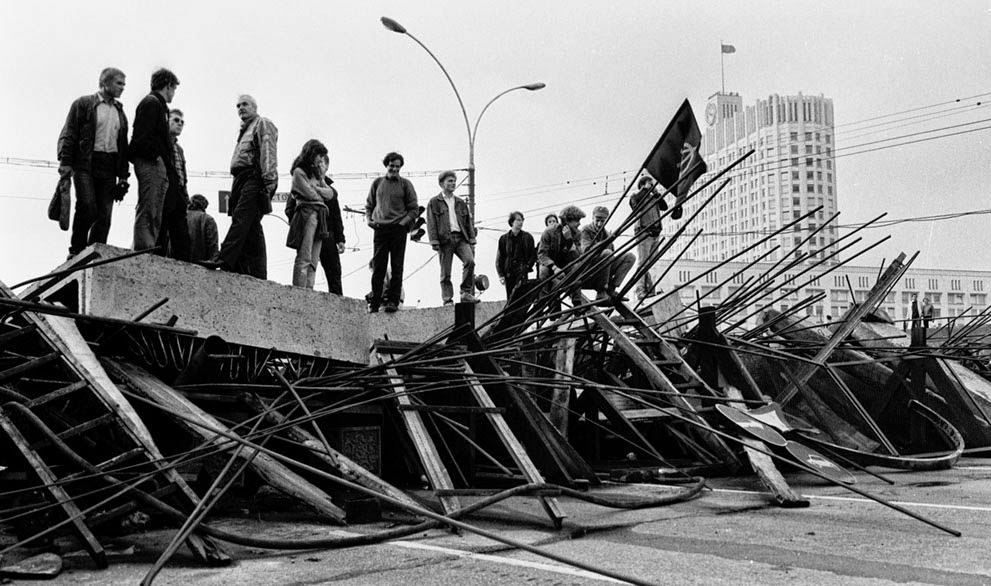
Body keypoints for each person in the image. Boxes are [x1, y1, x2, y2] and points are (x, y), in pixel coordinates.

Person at [57, 67, 130, 257]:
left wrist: (123, 176)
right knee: (87, 206)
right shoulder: (83, 104)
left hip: (109, 166)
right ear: (105, 82)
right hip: (85, 163)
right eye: (119, 83)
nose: (123, 88)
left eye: (124, 84)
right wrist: (65, 163)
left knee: (104, 216)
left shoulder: (120, 113)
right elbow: (70, 133)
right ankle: (77, 250)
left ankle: (95, 252)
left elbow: (123, 146)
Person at [209, 95, 278, 278]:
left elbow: (268, 152)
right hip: (240, 179)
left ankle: (223, 259)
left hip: (254, 177)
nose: (241, 108)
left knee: (242, 216)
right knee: (251, 225)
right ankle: (258, 273)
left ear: (255, 107)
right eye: (238, 105)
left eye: (245, 104)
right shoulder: (244, 130)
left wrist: (268, 182)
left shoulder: (262, 124)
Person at [131, 68, 179, 251]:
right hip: (150, 163)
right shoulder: (152, 103)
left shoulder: (158, 105)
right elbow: (142, 137)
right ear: (168, 85)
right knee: (149, 206)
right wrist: (156, 157)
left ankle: (148, 245)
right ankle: (144, 246)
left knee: (156, 206)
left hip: (155, 162)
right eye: (173, 88)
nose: (173, 93)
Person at [366, 152, 418, 313]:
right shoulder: (377, 183)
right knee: (378, 267)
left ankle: (393, 301)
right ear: (386, 165)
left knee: (397, 266)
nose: (394, 168)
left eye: (397, 166)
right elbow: (369, 205)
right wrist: (370, 220)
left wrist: (403, 224)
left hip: (398, 229)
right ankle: (375, 302)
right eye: (391, 165)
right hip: (380, 229)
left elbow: (413, 209)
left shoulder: (405, 185)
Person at [285, 140, 332, 289]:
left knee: (314, 259)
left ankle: (309, 289)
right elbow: (310, 195)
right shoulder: (299, 172)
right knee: (304, 256)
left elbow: (330, 194)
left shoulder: (317, 175)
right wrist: (318, 192)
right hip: (306, 214)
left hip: (320, 217)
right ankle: (299, 290)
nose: (320, 159)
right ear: (312, 153)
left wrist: (316, 189)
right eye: (319, 155)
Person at [426, 170, 477, 305]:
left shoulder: (460, 202)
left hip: (461, 238)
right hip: (445, 240)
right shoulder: (434, 202)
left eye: (454, 181)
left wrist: (472, 239)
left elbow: (467, 222)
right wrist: (434, 241)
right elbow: (431, 223)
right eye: (450, 181)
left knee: (470, 261)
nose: (453, 183)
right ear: (442, 184)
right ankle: (447, 299)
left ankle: (465, 293)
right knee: (445, 272)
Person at [579, 205, 636, 300]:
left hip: (603, 270)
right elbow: (586, 251)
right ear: (592, 217)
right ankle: (601, 292)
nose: (599, 224)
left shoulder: (607, 234)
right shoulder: (586, 231)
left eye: (603, 221)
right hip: (589, 271)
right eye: (597, 220)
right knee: (607, 253)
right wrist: (604, 244)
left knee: (630, 257)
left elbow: (612, 256)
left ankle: (611, 288)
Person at [156, 108, 190, 260]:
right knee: (161, 224)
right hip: (165, 188)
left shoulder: (179, 149)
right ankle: (158, 256)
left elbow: (183, 172)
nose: (180, 124)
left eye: (182, 122)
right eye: (176, 120)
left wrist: (185, 193)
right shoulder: (161, 142)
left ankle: (184, 260)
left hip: (179, 192)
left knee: (181, 230)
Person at [537, 205, 585, 306]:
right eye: (576, 221)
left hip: (564, 265)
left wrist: (569, 240)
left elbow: (577, 258)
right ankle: (543, 300)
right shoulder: (549, 232)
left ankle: (577, 302)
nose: (579, 223)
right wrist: (554, 268)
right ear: (567, 221)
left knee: (576, 267)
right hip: (549, 265)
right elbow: (542, 254)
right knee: (543, 271)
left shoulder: (577, 234)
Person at [629, 175, 668, 298]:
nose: (652, 186)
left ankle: (650, 289)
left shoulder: (653, 199)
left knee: (652, 263)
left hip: (655, 232)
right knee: (643, 262)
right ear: (643, 185)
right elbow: (634, 205)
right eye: (650, 184)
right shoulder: (636, 197)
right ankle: (640, 289)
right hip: (644, 231)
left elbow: (664, 206)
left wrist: (657, 194)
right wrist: (644, 190)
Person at [495, 211, 536, 299]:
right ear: (512, 222)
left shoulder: (528, 237)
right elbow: (500, 258)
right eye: (518, 220)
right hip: (509, 272)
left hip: (522, 271)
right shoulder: (503, 239)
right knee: (510, 298)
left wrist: (528, 266)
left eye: (522, 220)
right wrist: (501, 275)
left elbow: (533, 255)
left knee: (522, 297)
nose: (521, 222)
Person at [319, 174, 346, 295]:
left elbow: (336, 216)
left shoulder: (331, 191)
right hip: (310, 233)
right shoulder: (302, 184)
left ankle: (337, 299)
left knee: (334, 270)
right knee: (308, 266)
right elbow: (290, 209)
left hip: (328, 235)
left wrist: (340, 239)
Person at [186, 194, 218, 263]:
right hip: (200, 264)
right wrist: (213, 261)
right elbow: (212, 244)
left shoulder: (180, 217)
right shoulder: (208, 219)